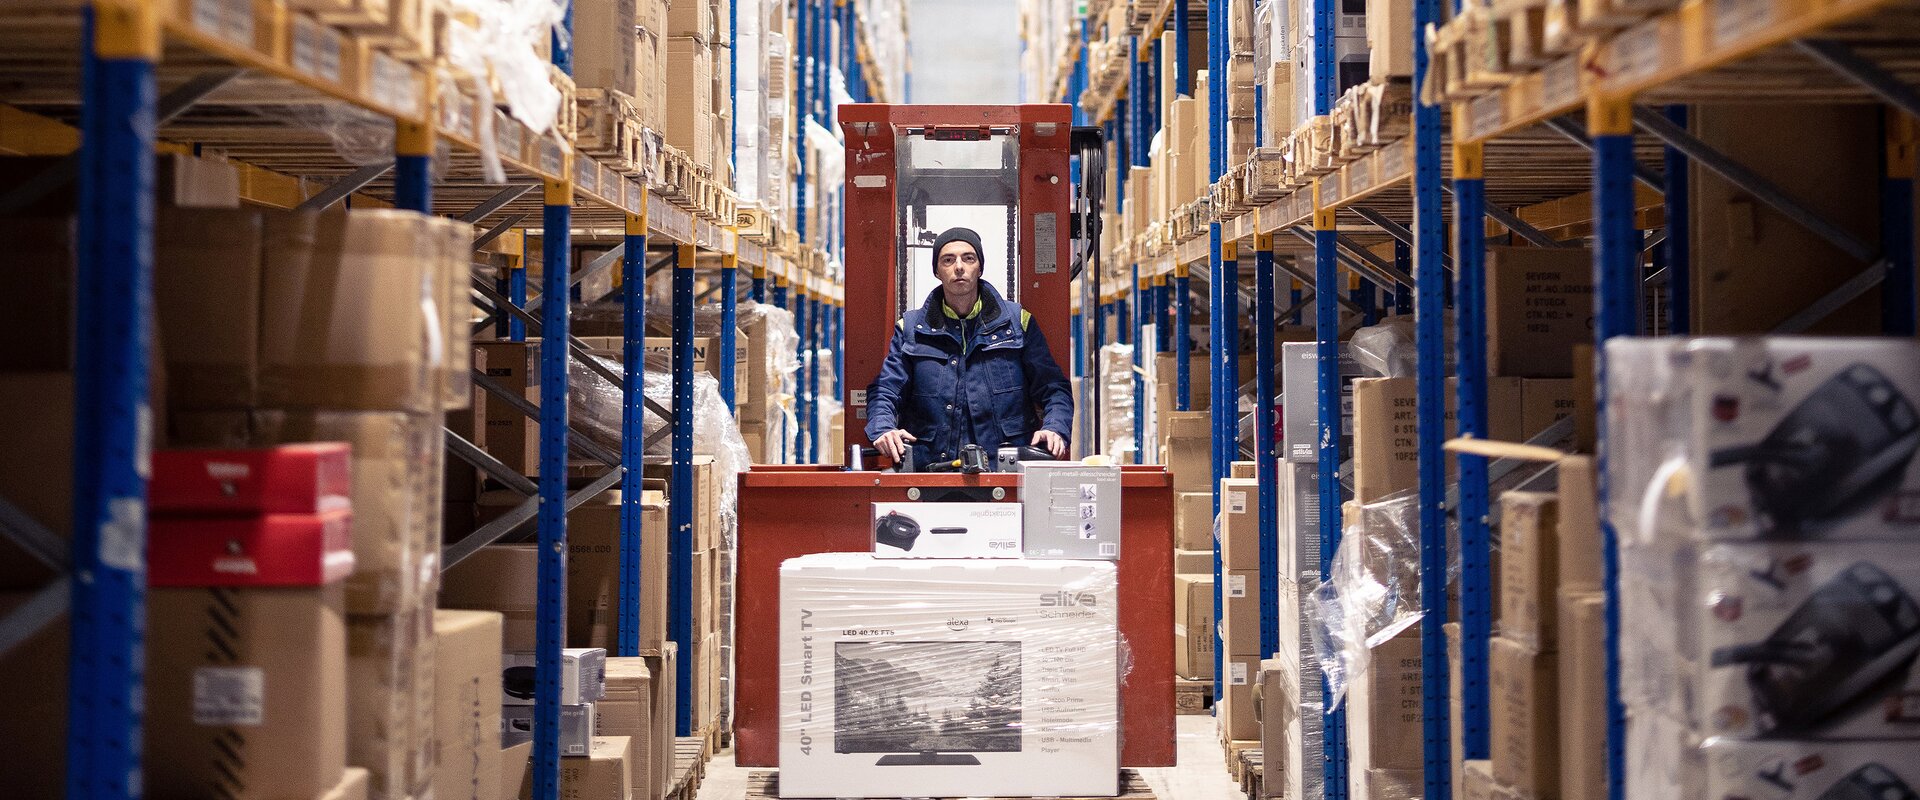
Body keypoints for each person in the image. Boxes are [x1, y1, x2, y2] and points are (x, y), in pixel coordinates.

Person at [865, 226, 1074, 468]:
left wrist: (1055, 428)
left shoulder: (1017, 323)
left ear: (980, 268)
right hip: (931, 472)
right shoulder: (911, 329)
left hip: (1004, 471)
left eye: (968, 258)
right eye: (948, 260)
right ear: (937, 271)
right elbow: (885, 391)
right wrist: (883, 427)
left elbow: (1054, 388)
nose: (959, 267)